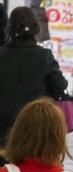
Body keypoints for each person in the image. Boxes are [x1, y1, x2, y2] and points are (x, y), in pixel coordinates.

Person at [0, 9, 68, 149]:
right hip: (33, 124)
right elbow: (60, 85)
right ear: (36, 28)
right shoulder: (44, 56)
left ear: (9, 28)